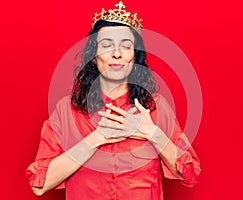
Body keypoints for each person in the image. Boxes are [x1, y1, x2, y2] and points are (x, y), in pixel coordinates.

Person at [26, 1, 201, 199]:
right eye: (107, 45)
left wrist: (151, 132)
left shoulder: (155, 107)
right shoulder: (67, 110)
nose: (116, 54)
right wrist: (97, 137)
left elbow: (190, 174)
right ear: (93, 55)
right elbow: (39, 184)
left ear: (134, 56)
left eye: (126, 46)